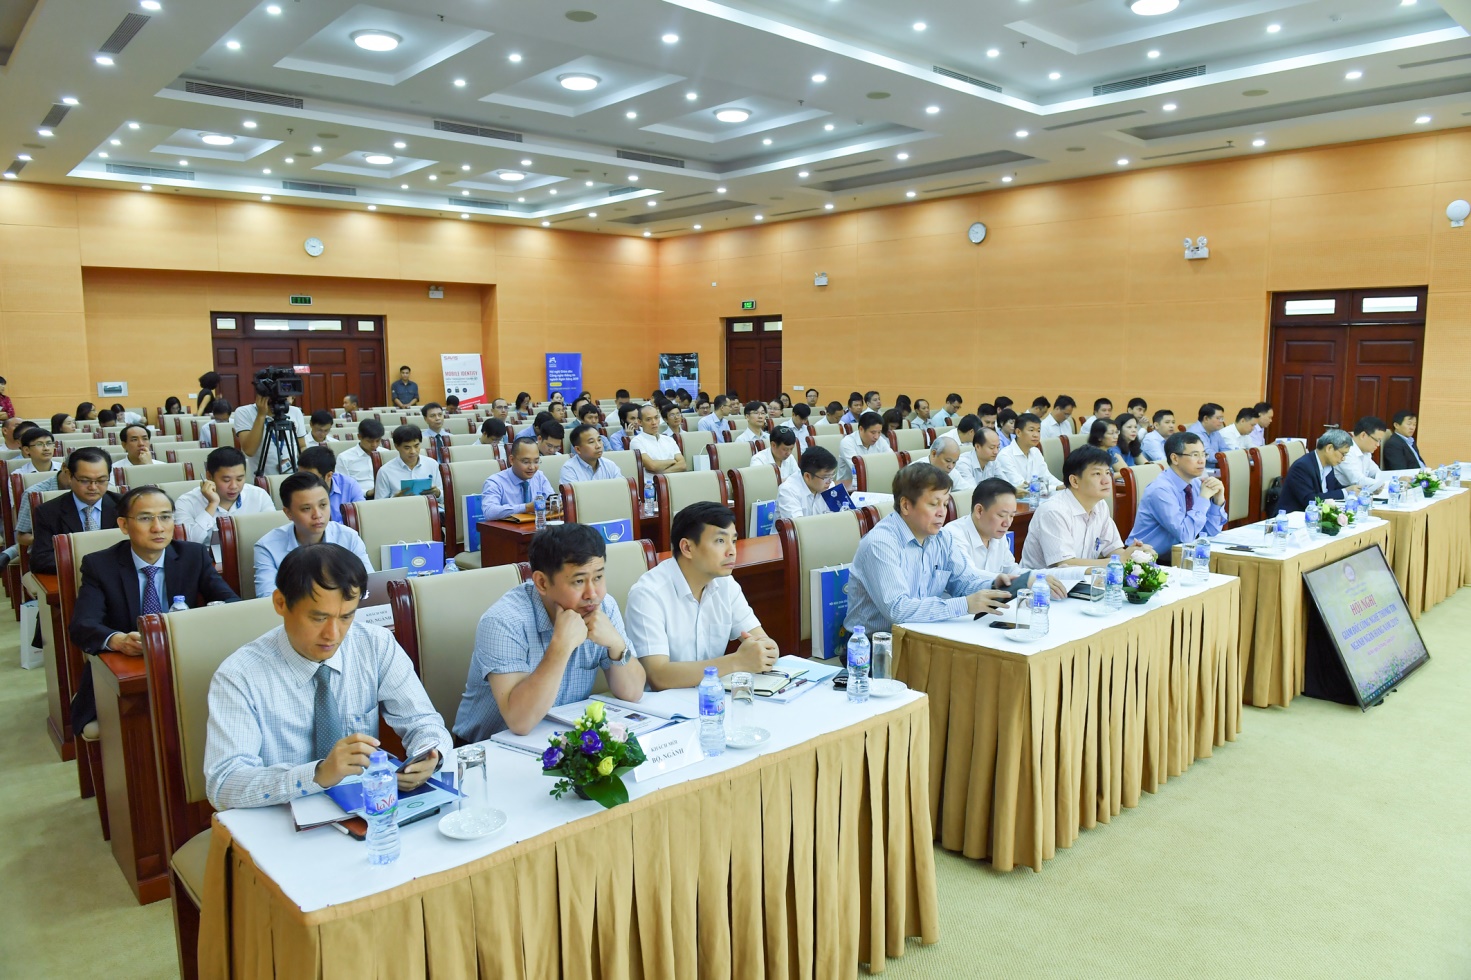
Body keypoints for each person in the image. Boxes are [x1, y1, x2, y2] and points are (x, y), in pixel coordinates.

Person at [204, 543, 451, 811]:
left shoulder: (375, 645)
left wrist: (429, 754)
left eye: (346, 617)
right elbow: (224, 784)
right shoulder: (239, 675)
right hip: (280, 818)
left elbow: (424, 721)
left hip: (365, 810)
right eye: (319, 618)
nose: (333, 634)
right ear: (281, 603)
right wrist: (318, 773)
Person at [68, 485, 237, 731]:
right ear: (124, 525)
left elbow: (232, 603)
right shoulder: (100, 565)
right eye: (145, 518)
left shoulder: (193, 555)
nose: (158, 528)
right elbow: (83, 624)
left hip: (184, 663)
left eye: (165, 517)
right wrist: (119, 641)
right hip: (128, 669)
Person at [454, 522, 645, 739]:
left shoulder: (604, 607)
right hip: (486, 748)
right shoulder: (503, 621)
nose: (593, 593)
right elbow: (520, 721)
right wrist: (561, 647)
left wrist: (617, 645)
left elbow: (633, 692)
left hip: (561, 740)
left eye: (598, 577)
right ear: (542, 583)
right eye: (579, 581)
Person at [845, 463, 1011, 636]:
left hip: (924, 635)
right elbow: (897, 610)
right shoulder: (880, 543)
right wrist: (965, 605)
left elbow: (963, 582)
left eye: (945, 504)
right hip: (875, 643)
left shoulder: (942, 538)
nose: (942, 512)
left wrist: (993, 585)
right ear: (906, 505)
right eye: (934, 504)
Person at [626, 501, 778, 689]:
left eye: (733, 541)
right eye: (720, 541)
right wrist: (736, 661)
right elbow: (658, 676)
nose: (732, 551)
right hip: (663, 703)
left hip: (711, 697)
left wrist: (766, 651)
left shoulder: (726, 584)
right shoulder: (648, 595)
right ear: (687, 548)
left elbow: (764, 643)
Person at [1021, 447, 1153, 568]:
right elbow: (1065, 564)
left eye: (1108, 472)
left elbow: (1113, 549)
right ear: (1074, 481)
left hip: (1082, 582)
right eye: (1097, 474)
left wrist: (1135, 554)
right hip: (1042, 584)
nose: (1106, 480)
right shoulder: (1054, 511)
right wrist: (1120, 560)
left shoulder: (1100, 505)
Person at [942, 479, 1070, 596]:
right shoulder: (952, 535)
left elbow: (1013, 571)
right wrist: (1022, 581)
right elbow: (968, 575)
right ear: (979, 511)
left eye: (1012, 516)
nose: (1007, 523)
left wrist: (1050, 574)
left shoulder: (997, 534)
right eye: (1001, 515)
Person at [255, 473, 374, 597]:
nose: (317, 515)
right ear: (288, 513)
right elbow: (267, 599)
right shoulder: (267, 547)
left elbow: (370, 586)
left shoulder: (348, 537)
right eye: (306, 508)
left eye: (323, 505)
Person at [1129, 432, 1227, 561]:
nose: (1202, 460)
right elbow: (1186, 535)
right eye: (1195, 455)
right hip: (1147, 560)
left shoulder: (1196, 483)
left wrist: (1217, 502)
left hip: (1181, 556)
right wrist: (1203, 499)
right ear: (1175, 458)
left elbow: (1209, 533)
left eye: (1204, 454)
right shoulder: (1161, 490)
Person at [29, 448, 120, 574]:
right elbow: (41, 560)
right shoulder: (48, 511)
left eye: (101, 480)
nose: (93, 487)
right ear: (69, 475)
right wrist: (92, 565)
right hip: (75, 576)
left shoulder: (125, 505)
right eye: (84, 480)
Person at [174, 446, 275, 544]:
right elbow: (187, 543)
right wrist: (212, 504)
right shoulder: (186, 502)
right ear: (209, 476)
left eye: (239, 479)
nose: (234, 486)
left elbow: (273, 533)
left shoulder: (259, 496)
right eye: (226, 480)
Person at [234, 386, 307, 477]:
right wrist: (261, 415)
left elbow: (302, 446)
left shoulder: (295, 412)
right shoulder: (244, 412)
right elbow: (249, 451)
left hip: (292, 478)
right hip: (263, 479)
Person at [1278, 429, 1351, 513]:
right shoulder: (1302, 467)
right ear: (1329, 448)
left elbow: (1335, 487)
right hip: (1291, 517)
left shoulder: (1328, 465)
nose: (1343, 459)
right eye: (1343, 454)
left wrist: (1352, 491)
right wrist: (1344, 492)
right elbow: (1310, 500)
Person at [482, 437, 554, 520]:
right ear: (512, 460)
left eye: (536, 461)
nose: (532, 467)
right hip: (509, 527)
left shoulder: (539, 476)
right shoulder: (495, 482)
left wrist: (556, 504)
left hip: (538, 525)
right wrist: (526, 508)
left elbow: (551, 498)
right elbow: (489, 512)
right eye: (526, 462)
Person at [375, 424, 443, 507]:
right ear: (396, 446)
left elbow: (444, 498)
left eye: (416, 446)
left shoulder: (432, 464)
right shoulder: (385, 471)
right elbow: (379, 505)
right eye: (407, 448)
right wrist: (395, 499)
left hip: (429, 509)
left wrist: (438, 493)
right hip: (400, 511)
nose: (413, 451)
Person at [994, 413, 1062, 493]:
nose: (1036, 435)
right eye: (1031, 430)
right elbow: (1023, 486)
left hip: (1038, 496)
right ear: (1018, 432)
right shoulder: (1005, 456)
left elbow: (1047, 477)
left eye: (1038, 431)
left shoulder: (1036, 452)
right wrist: (1056, 488)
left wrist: (1063, 486)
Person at [298, 445, 366, 523]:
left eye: (310, 478)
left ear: (329, 476)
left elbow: (361, 518)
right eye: (301, 475)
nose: (304, 481)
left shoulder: (350, 486)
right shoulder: (295, 488)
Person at [777, 446, 837, 519]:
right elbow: (798, 525)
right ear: (807, 476)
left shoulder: (829, 486)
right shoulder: (788, 491)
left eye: (832, 475)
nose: (830, 481)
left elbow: (841, 515)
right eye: (826, 477)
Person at [837, 411, 891, 487]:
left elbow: (891, 460)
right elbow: (859, 469)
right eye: (873, 432)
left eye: (879, 432)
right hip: (849, 487)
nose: (876, 437)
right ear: (861, 429)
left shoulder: (880, 440)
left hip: (875, 483)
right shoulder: (847, 442)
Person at [1335, 417, 1388, 493]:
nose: (1378, 445)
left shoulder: (1366, 452)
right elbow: (1358, 480)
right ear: (1363, 435)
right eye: (1377, 440)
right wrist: (1387, 484)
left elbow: (1376, 473)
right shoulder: (1346, 451)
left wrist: (1395, 480)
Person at [631, 403, 687, 475]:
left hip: (673, 479)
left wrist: (661, 473)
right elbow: (652, 466)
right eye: (648, 419)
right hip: (652, 481)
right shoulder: (636, 441)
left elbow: (682, 465)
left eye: (656, 418)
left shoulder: (669, 439)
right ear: (640, 422)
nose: (654, 422)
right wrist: (672, 461)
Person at [335, 418, 383, 499]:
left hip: (386, 495)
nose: (374, 445)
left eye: (378, 441)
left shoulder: (385, 454)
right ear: (359, 437)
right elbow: (343, 486)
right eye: (370, 441)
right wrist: (367, 492)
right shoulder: (345, 458)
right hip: (359, 498)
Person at [950, 428, 1000, 495]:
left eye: (998, 447)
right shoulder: (963, 463)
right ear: (977, 446)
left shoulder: (993, 461)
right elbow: (973, 492)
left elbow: (1005, 485)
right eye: (992, 448)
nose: (996, 452)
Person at [1187, 404, 1227, 473]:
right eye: (1218, 418)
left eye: (1222, 418)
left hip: (1213, 469)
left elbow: (1225, 449)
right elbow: (1208, 455)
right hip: (1199, 471)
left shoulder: (1215, 431)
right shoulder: (1195, 433)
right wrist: (1226, 457)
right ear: (1206, 419)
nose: (1221, 421)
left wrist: (1233, 456)